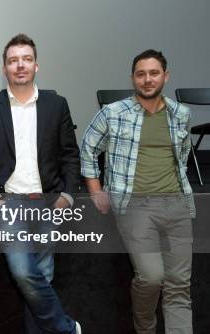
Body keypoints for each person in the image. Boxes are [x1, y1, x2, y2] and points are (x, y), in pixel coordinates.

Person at [0, 33, 81, 334]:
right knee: (23, 272)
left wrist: (67, 197)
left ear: (36, 66)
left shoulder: (56, 104)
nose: (20, 65)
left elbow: (70, 154)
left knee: (42, 278)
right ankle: (66, 328)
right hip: (9, 204)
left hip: (48, 201)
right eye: (13, 60)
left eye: (26, 59)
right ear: (4, 67)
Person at [81, 49, 194, 334]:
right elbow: (88, 149)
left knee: (179, 284)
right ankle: (145, 328)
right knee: (152, 277)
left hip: (177, 205)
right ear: (133, 78)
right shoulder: (113, 113)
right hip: (135, 207)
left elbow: (181, 156)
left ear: (165, 77)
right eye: (141, 74)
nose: (147, 79)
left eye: (154, 73)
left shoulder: (181, 113)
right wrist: (95, 191)